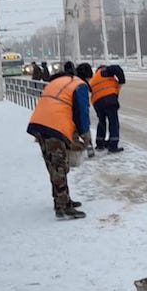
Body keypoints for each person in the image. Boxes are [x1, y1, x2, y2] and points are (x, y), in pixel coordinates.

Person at [26, 61, 94, 219]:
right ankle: (63, 207)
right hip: (55, 126)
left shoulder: (58, 81)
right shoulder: (79, 85)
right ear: (87, 78)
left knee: (53, 165)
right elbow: (82, 114)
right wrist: (86, 137)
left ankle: (62, 200)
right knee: (59, 166)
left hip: (39, 123)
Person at [87, 63, 126, 152]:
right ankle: (113, 145)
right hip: (108, 99)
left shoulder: (93, 80)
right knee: (113, 122)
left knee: (102, 122)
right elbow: (117, 68)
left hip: (97, 103)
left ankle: (100, 143)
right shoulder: (104, 71)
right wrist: (121, 81)